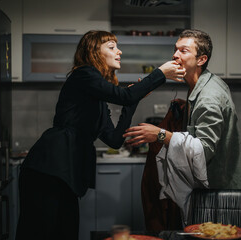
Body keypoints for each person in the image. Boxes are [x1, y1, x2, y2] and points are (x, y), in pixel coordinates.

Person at [15, 30, 185, 240]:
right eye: (112, 47)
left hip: (65, 172)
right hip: (48, 168)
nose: (119, 51)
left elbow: (114, 138)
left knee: (66, 233)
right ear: (94, 52)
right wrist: (160, 73)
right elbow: (125, 95)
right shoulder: (84, 74)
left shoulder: (96, 97)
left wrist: (131, 102)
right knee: (40, 233)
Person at [123, 29, 241, 225]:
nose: (175, 55)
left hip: (221, 196)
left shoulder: (209, 97)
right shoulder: (201, 86)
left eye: (183, 50)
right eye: (175, 50)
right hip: (210, 192)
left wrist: (160, 134)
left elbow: (204, 150)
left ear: (201, 60)